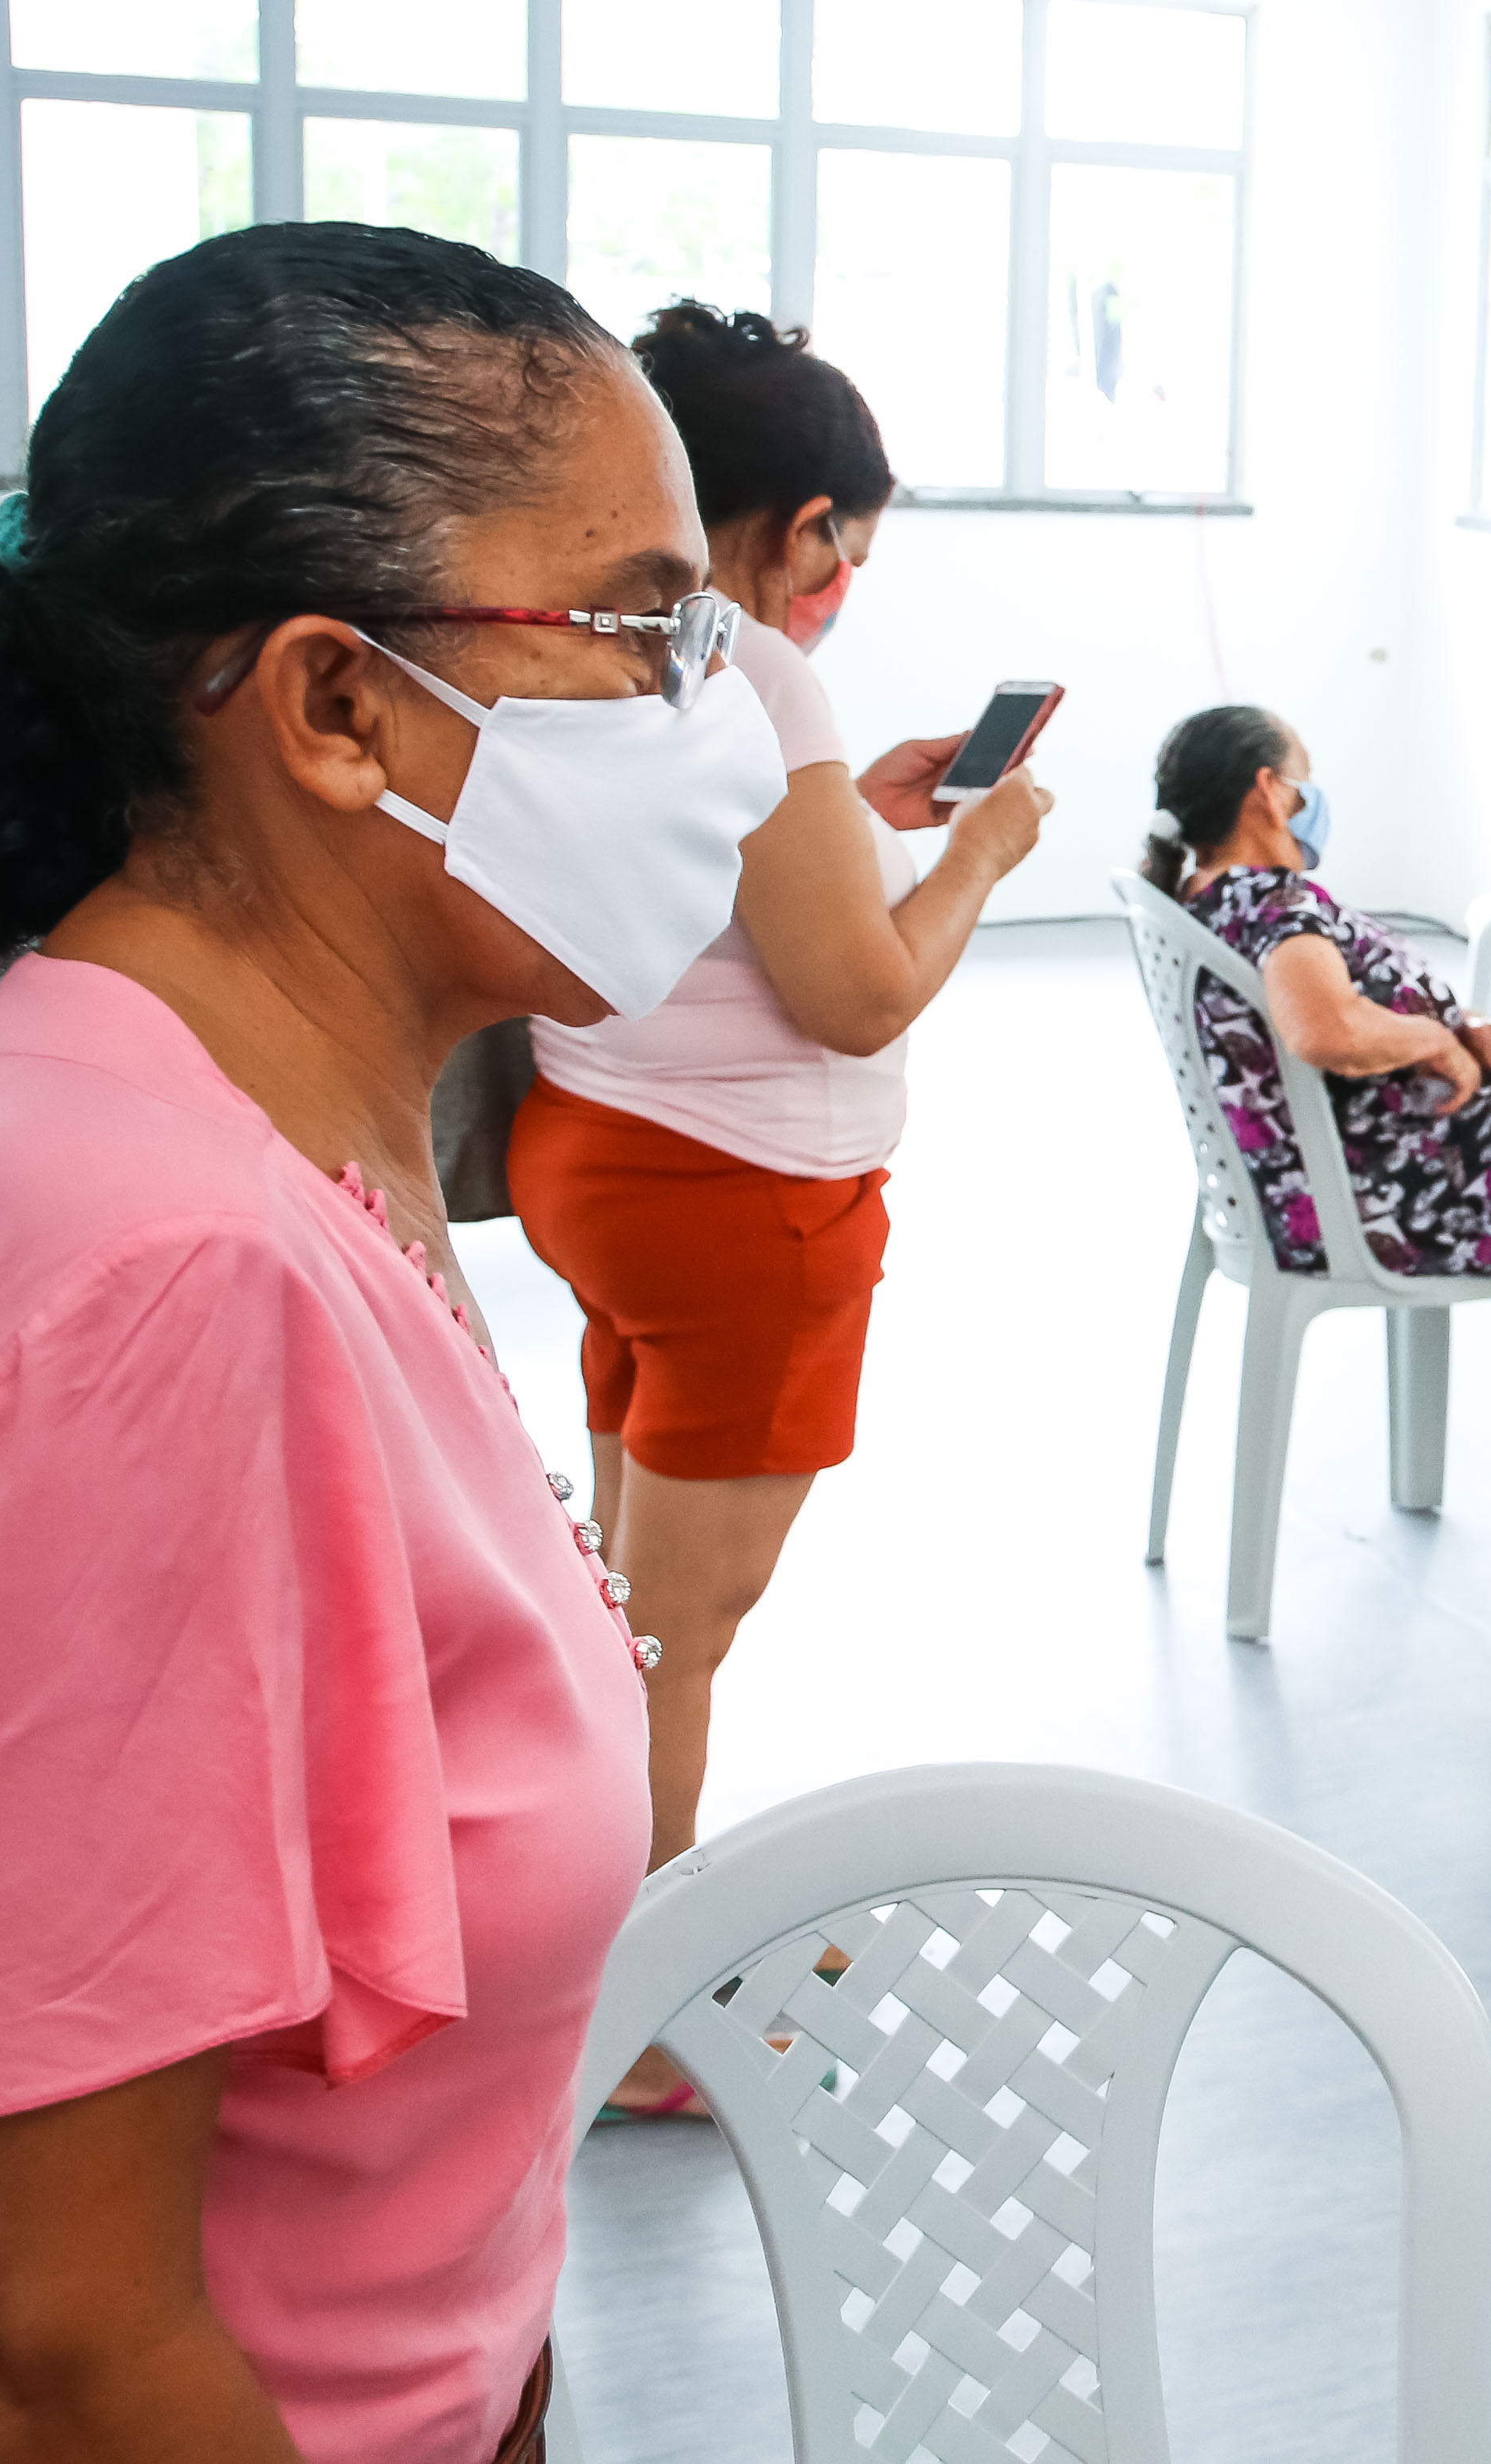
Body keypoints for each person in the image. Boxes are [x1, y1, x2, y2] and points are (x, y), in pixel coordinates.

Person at [0, 222, 787, 2462]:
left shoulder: (167, 1113)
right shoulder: (162, 1274)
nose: (719, 731)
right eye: (650, 630)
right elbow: (46, 2351)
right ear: (336, 706)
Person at [510, 303, 1049, 1938]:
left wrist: (862, 822)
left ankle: (596, 1911)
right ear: (804, 522)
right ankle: (636, 1992)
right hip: (744, 1206)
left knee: (617, 1590)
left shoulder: (593, 639)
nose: (836, 593)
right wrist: (974, 855)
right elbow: (859, 995)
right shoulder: (761, 679)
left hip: (593, 1155)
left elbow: (711, 884)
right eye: (847, 556)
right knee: (674, 1630)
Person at [1149, 706, 1491, 1504]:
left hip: (1367, 1183)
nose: (1313, 795)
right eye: (1304, 777)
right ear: (1268, 789)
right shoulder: (1276, 909)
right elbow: (1323, 1028)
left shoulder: (1209, 901)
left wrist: (1457, 1029)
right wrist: (1437, 1046)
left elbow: (1346, 1012)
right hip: (1391, 1208)